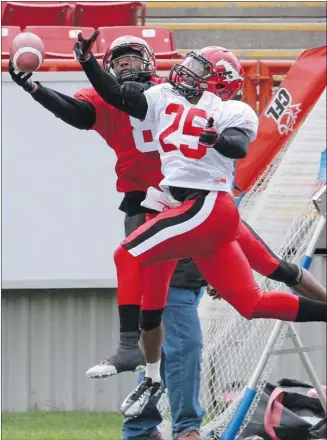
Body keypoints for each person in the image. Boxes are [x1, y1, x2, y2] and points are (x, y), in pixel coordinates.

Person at [74, 38, 327, 419]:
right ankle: (153, 375)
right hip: (179, 208)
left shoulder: (232, 109)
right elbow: (117, 95)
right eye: (189, 66)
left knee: (127, 254)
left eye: (198, 71)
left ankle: (130, 349)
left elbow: (238, 146)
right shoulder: (165, 96)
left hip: (206, 206)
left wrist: (216, 139)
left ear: (218, 81)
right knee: (250, 303)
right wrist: (88, 62)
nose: (186, 73)